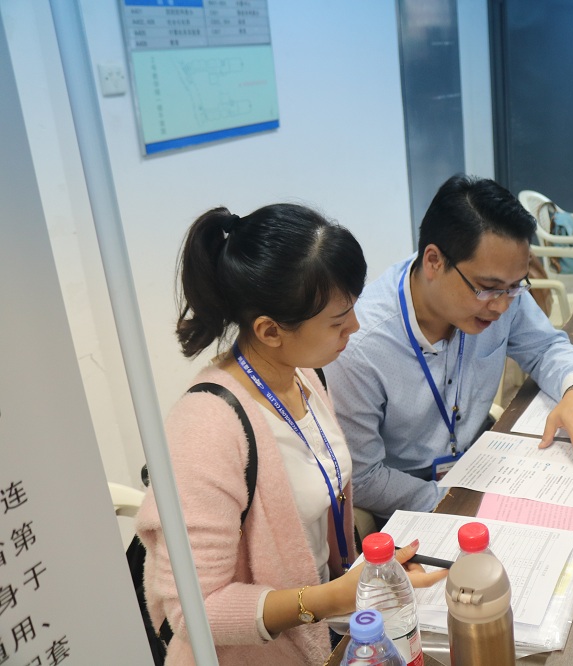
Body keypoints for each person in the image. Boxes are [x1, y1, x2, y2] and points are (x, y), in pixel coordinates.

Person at [135, 204, 447, 664]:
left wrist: (361, 579)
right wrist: (330, 598)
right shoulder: (207, 427)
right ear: (269, 331)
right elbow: (195, 611)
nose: (355, 327)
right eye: (339, 321)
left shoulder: (303, 378)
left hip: (326, 630)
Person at [327, 175, 573, 522]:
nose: (501, 306)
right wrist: (459, 504)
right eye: (487, 288)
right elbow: (363, 478)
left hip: (482, 463)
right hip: (411, 501)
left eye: (514, 287)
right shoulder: (359, 346)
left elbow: (546, 347)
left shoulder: (500, 291)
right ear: (434, 261)